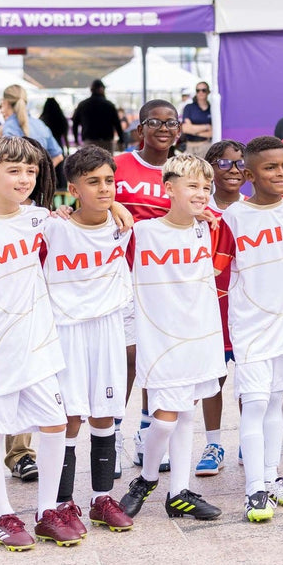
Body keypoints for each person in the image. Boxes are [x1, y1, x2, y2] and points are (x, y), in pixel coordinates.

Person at [0, 136, 77, 550]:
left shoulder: (39, 218)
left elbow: (79, 219)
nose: (24, 178)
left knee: (55, 424)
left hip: (38, 344)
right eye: (13, 170)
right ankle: (2, 515)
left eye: (30, 171)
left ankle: (45, 512)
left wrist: (115, 207)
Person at [117, 154, 225, 522]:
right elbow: (89, 225)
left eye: (206, 187)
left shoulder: (209, 227)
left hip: (199, 335)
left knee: (185, 417)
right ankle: (146, 479)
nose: (201, 194)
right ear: (169, 187)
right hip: (162, 341)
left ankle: (178, 492)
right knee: (163, 420)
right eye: (193, 186)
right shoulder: (142, 231)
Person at [213, 136, 283, 523]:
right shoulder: (233, 218)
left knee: (275, 402)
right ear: (249, 175)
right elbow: (217, 273)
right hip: (250, 327)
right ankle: (254, 488)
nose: (282, 173)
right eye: (271, 168)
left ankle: (271, 477)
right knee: (254, 404)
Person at [44, 146, 135, 533]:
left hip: (108, 327)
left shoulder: (124, 226)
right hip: (66, 330)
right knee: (70, 415)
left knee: (104, 411)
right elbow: (5, 224)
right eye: (93, 182)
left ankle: (100, 498)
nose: (104, 189)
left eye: (109, 181)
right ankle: (62, 502)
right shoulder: (53, 228)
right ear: (73, 188)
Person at [114, 100, 183, 476]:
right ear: (139, 130)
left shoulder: (183, 168)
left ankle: (147, 433)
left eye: (170, 122)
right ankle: (111, 435)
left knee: (157, 359)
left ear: (179, 129)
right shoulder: (120, 163)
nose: (163, 128)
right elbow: (94, 194)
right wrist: (113, 209)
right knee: (126, 359)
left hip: (166, 279)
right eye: (154, 122)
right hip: (121, 276)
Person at [194, 139, 245, 477]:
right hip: (210, 306)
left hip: (247, 307)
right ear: (210, 167)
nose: (234, 169)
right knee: (214, 378)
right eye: (225, 163)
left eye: (240, 163)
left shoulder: (254, 207)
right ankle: (213, 443)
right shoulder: (198, 208)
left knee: (249, 380)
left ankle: (249, 438)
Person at [0, 84, 64, 169]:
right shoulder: (40, 124)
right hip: (38, 179)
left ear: (5, 102)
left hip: (15, 181)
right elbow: (58, 157)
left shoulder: (8, 126)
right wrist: (40, 174)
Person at [72, 79, 122, 153]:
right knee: (107, 163)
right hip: (106, 142)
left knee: (90, 163)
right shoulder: (109, 105)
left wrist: (76, 139)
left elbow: (75, 123)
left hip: (89, 142)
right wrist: (121, 139)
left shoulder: (82, 105)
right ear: (101, 89)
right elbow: (117, 123)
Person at [181, 81, 214, 158]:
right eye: (198, 90)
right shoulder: (189, 107)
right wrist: (206, 127)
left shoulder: (212, 109)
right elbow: (185, 129)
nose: (200, 92)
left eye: (203, 90)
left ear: (208, 92)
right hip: (189, 147)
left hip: (206, 146)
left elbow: (212, 133)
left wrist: (193, 130)